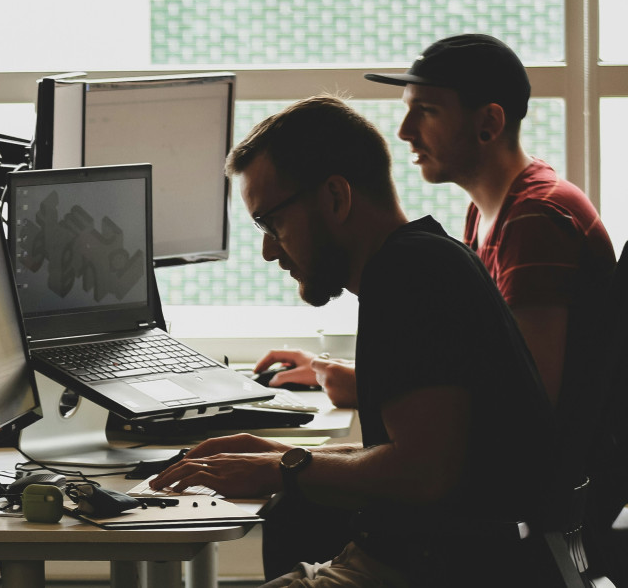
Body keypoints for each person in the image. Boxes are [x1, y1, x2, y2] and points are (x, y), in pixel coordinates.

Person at [151, 96, 556, 587]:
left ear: (336, 197)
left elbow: (425, 472)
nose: (267, 250)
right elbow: (418, 454)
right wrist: (275, 455)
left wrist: (286, 467)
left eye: (271, 222)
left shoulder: (409, 276)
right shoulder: (428, 259)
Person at [259, 34, 615, 409]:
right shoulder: (491, 210)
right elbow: (485, 365)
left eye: (426, 110)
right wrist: (335, 370)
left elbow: (531, 395)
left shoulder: (535, 218)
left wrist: (367, 386)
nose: (404, 131)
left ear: (489, 123)